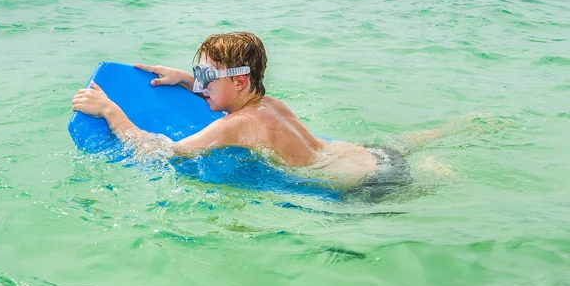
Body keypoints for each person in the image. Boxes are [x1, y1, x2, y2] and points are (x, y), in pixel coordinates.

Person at [71, 32, 412, 193]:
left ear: (237, 81)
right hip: (373, 158)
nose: (200, 83)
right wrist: (186, 79)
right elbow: (226, 94)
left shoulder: (234, 126)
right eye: (197, 71)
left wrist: (112, 112)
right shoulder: (269, 104)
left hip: (361, 189)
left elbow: (157, 151)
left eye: (206, 75)